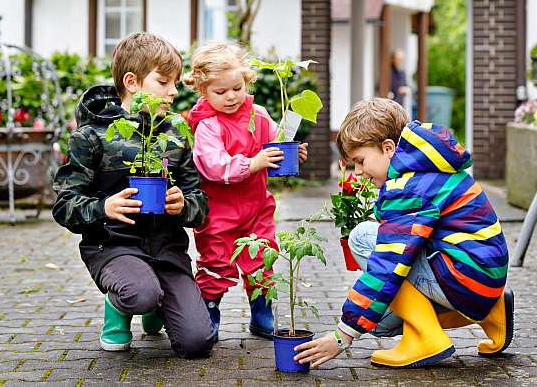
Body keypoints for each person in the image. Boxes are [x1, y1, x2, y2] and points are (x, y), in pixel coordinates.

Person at [294, 98, 513, 368]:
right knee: (380, 323)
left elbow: (389, 264)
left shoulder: (408, 187)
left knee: (364, 237)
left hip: (465, 278)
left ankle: (427, 339)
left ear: (388, 148)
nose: (358, 172)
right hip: (482, 280)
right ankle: (492, 312)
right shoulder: (430, 167)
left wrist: (343, 336)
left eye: (360, 161)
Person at [52, 32, 215, 357]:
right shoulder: (92, 136)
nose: (173, 91)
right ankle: (124, 306)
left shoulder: (175, 133)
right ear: (132, 81)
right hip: (113, 247)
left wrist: (183, 204)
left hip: (166, 251)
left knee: (198, 342)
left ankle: (156, 304)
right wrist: (104, 207)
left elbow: (200, 204)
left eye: (175, 83)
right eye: (164, 82)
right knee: (140, 293)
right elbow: (64, 205)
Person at [185, 42, 308, 342]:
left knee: (262, 258)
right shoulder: (208, 126)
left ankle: (261, 311)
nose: (231, 97)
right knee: (216, 261)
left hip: (256, 207)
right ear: (203, 91)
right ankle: (210, 311)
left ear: (247, 81)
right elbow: (213, 165)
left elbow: (275, 143)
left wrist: (291, 153)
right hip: (219, 212)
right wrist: (253, 163)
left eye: (237, 88)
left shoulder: (259, 114)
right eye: (220, 92)